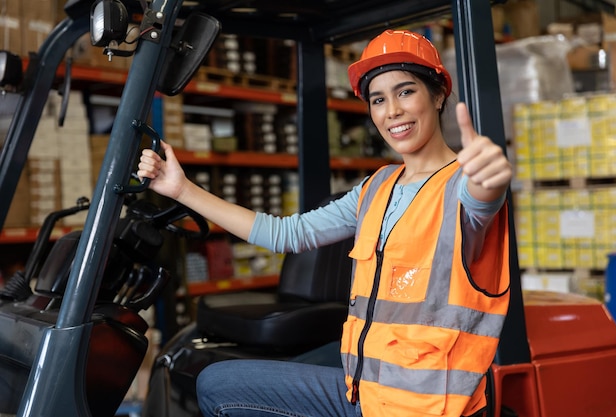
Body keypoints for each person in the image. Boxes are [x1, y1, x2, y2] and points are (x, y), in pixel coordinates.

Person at [138, 29, 512, 417]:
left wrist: (489, 180)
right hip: (365, 394)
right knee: (217, 382)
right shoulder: (376, 189)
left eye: (405, 92)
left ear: (437, 96)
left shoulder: (462, 187)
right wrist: (182, 190)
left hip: (425, 408)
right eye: (378, 99)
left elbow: (481, 201)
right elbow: (287, 234)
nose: (392, 112)